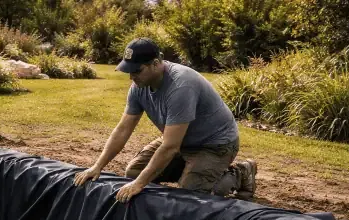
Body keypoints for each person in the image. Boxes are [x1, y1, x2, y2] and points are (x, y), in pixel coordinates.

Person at [74, 38, 257, 203]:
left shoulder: (181, 86)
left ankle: (240, 172)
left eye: (136, 71)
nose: (132, 77)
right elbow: (123, 129)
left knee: (190, 194)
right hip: (181, 140)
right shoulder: (139, 86)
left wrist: (139, 185)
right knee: (133, 173)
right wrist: (97, 166)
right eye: (128, 71)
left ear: (155, 64)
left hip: (215, 144)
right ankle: (191, 170)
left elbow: (170, 147)